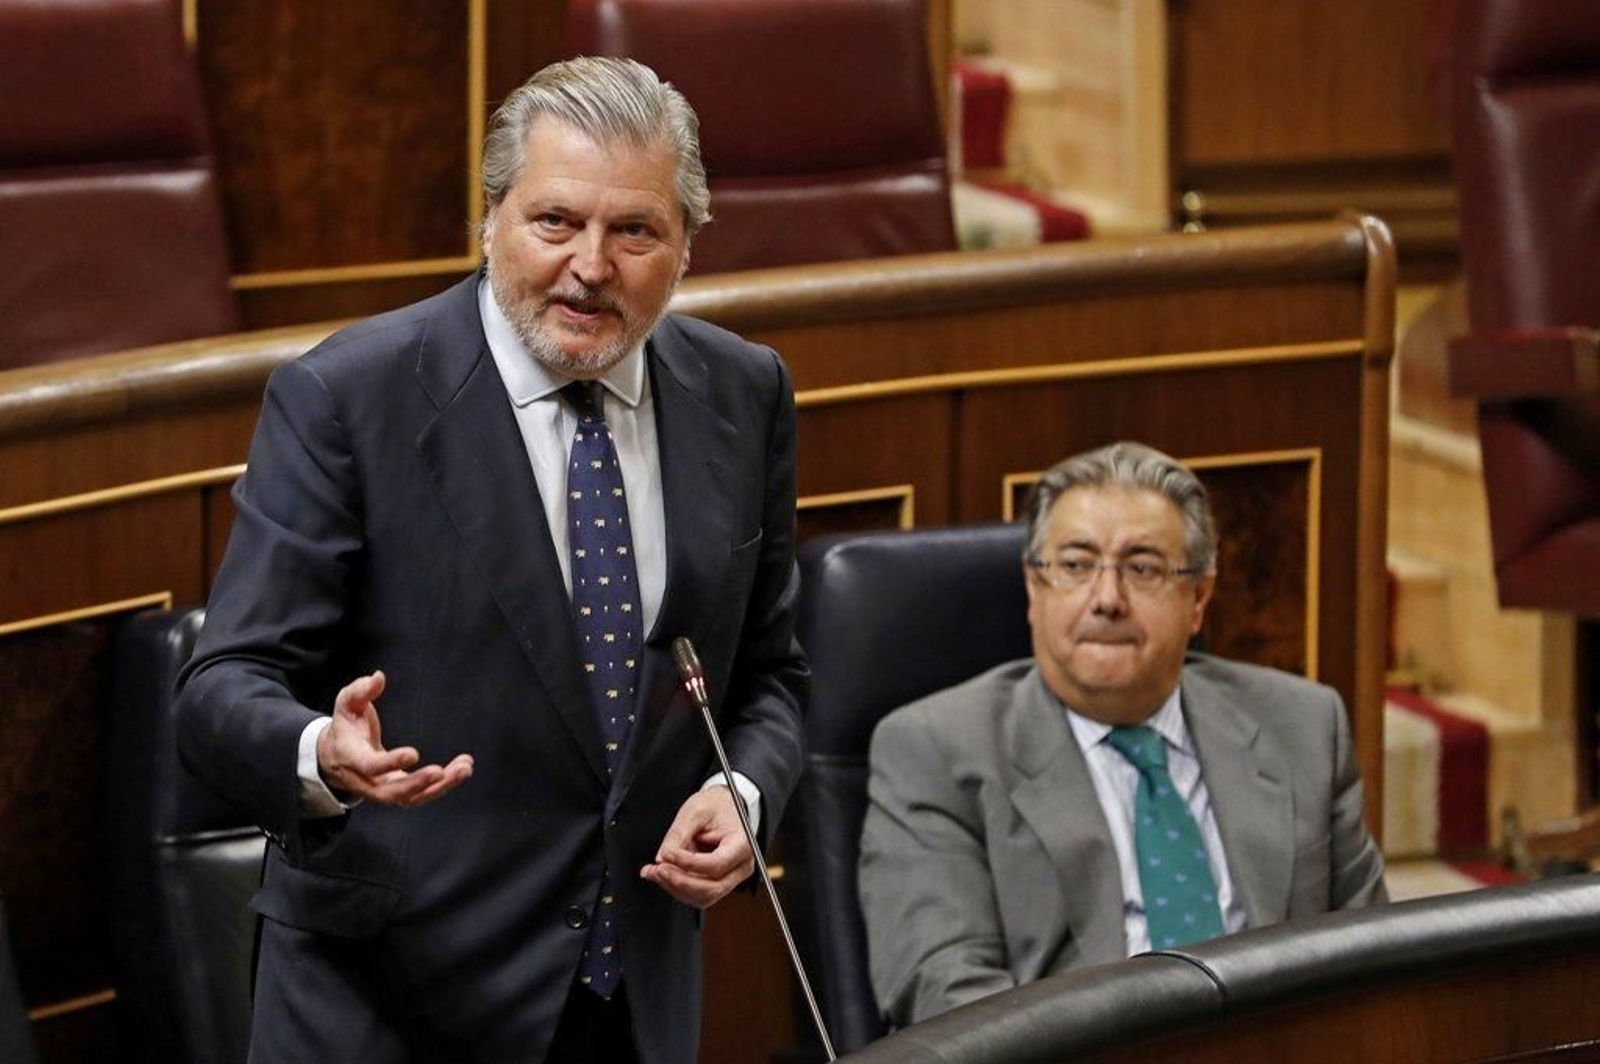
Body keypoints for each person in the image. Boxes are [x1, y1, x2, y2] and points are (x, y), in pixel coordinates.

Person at [175, 57, 807, 1064]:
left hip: (630, 999)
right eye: (555, 221)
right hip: (387, 1005)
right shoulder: (346, 398)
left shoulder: (745, 392)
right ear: (491, 222)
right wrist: (318, 752)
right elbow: (219, 687)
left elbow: (772, 674)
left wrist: (747, 791)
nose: (590, 265)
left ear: (685, 246)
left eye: (633, 230)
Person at [857, 441, 1385, 1028]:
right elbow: (952, 1005)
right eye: (1076, 565)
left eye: (1143, 568)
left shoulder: (1305, 726)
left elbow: (1375, 969)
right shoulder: (935, 752)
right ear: (1035, 589)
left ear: (1199, 598)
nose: (1107, 599)